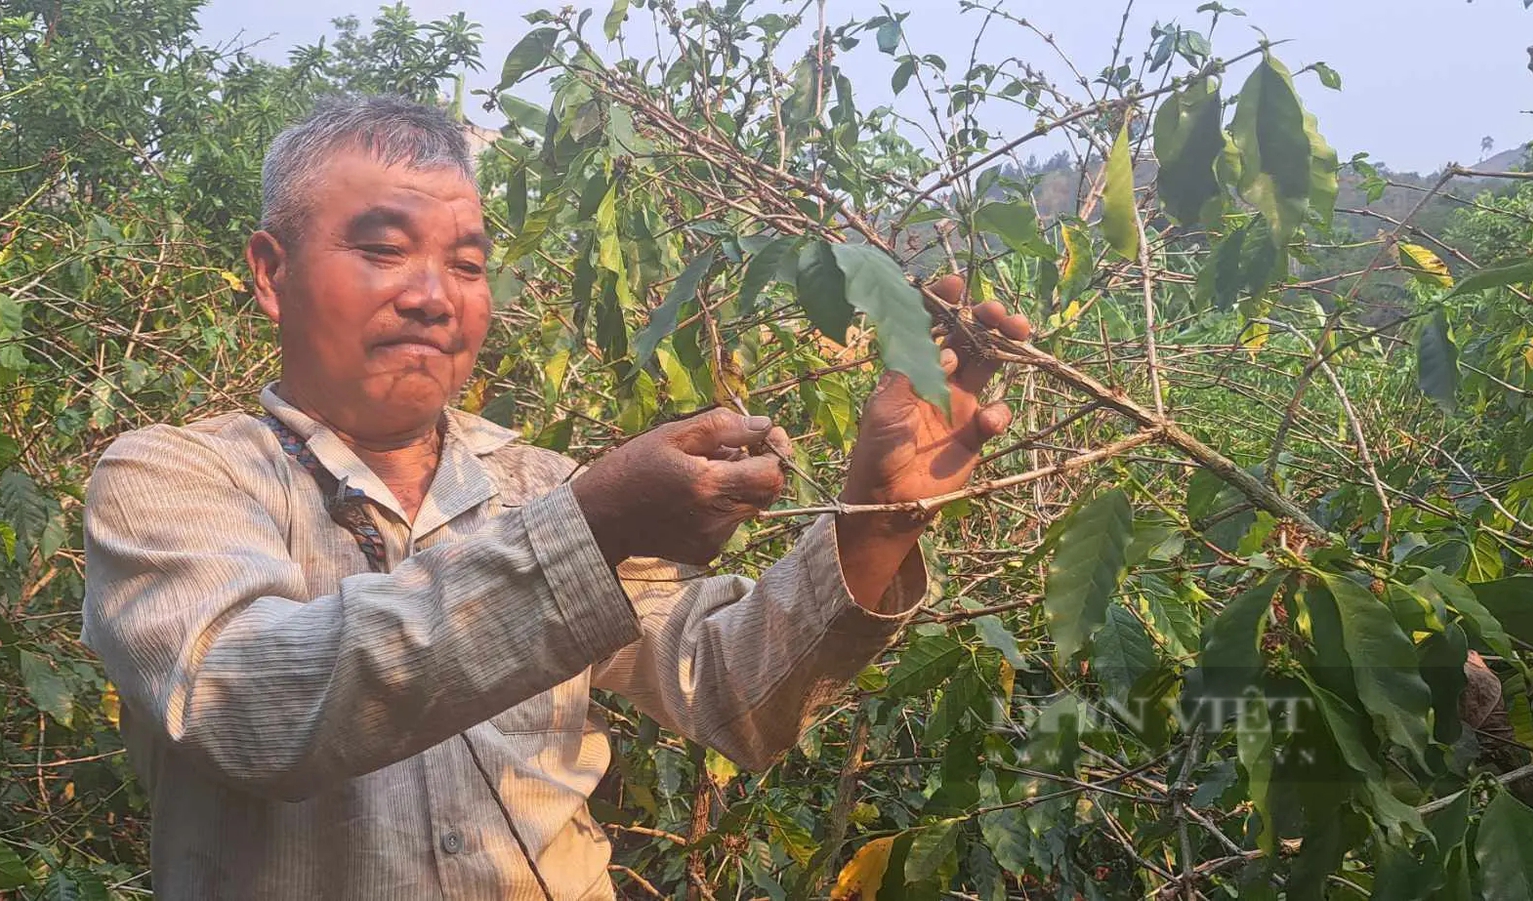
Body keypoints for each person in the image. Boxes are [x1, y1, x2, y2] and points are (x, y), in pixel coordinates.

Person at [79, 95, 1032, 900]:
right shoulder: (170, 477)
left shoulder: (534, 482)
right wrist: (591, 526)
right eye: (382, 249)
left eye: (466, 262)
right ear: (271, 273)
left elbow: (727, 684)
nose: (432, 295)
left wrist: (876, 512)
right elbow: (243, 703)